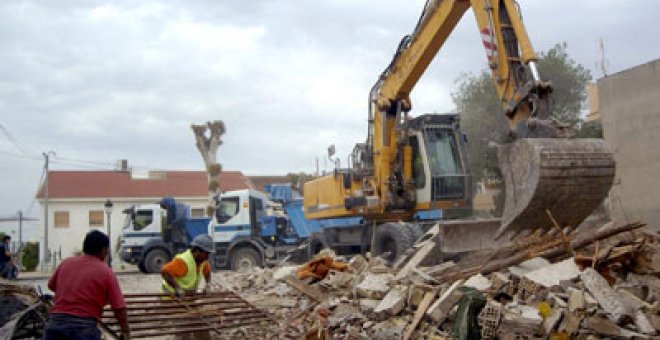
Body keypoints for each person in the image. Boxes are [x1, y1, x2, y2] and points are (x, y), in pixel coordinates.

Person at [44, 230, 131, 340]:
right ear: (103, 250)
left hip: (55, 325)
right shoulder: (106, 271)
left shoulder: (66, 263)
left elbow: (51, 286)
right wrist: (126, 333)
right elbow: (119, 308)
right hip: (84, 329)